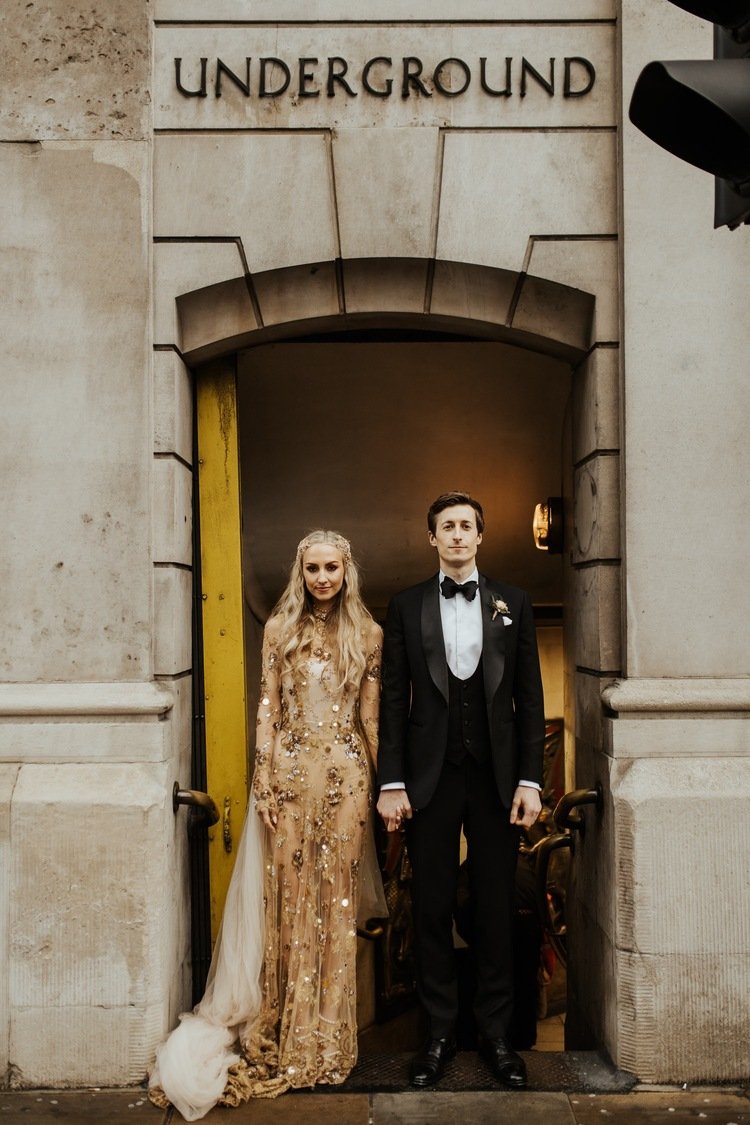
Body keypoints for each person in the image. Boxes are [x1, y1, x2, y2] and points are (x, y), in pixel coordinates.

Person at [150, 530, 384, 1120]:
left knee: (335, 906)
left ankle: (328, 1039)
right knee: (286, 905)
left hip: (349, 778)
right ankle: (285, 1027)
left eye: (332, 568)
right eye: (313, 570)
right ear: (299, 573)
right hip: (289, 774)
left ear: (347, 570)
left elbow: (372, 719)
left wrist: (383, 789)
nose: (323, 578)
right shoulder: (278, 631)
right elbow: (267, 710)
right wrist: (262, 780)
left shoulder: (370, 635)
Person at [376, 492, 545, 1090]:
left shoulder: (514, 603)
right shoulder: (406, 605)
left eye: (465, 526)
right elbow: (394, 700)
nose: (455, 535)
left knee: (497, 907)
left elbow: (528, 699)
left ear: (480, 536)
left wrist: (531, 779)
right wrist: (391, 780)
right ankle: (438, 1035)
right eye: (445, 527)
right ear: (432, 538)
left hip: (497, 779)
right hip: (430, 778)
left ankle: (497, 1036)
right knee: (431, 908)